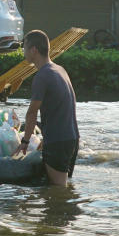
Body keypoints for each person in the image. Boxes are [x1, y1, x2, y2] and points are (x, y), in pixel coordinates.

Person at [14, 29, 80, 186]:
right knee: (65, 188)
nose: (23, 52)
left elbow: (31, 113)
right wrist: (44, 141)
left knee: (57, 190)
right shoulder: (60, 70)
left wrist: (25, 141)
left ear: (34, 50)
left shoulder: (42, 76)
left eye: (24, 48)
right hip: (72, 138)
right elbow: (61, 109)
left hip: (58, 141)